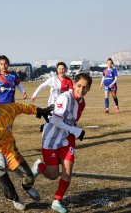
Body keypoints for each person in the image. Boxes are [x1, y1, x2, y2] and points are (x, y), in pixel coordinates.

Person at [31, 73, 92, 213]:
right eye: (79, 86)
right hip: (51, 139)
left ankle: (57, 201)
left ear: (88, 89)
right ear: (74, 84)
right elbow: (55, 120)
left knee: (67, 171)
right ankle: (39, 166)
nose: (81, 90)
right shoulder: (65, 97)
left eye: (85, 87)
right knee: (53, 175)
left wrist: (73, 131)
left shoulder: (82, 102)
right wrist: (75, 131)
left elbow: (70, 120)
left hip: (67, 139)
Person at [32, 62, 73, 131]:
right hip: (52, 103)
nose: (61, 70)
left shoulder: (68, 80)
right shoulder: (52, 79)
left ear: (65, 70)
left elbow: (71, 92)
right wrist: (34, 95)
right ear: (57, 70)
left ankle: (46, 126)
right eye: (60, 69)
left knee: (61, 120)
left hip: (63, 104)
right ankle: (47, 127)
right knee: (53, 119)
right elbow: (42, 86)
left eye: (63, 69)